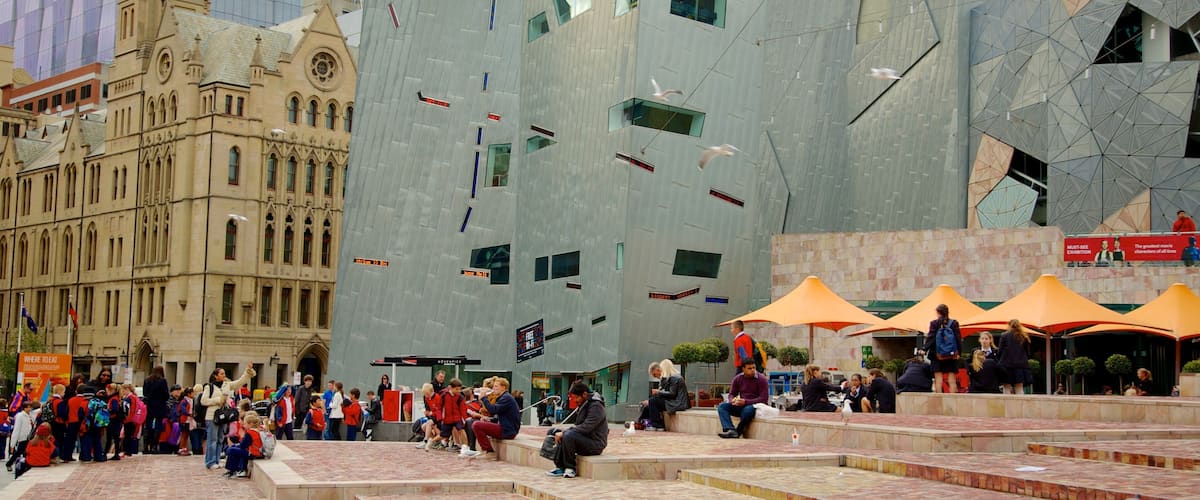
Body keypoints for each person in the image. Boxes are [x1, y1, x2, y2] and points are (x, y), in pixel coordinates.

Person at [546, 382, 607, 479]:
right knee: (553, 432)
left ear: (584, 394)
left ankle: (570, 468)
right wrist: (563, 432)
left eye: (576, 397)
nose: (575, 400)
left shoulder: (596, 406)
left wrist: (565, 432)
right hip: (584, 438)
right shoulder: (584, 404)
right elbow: (578, 426)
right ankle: (560, 466)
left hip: (595, 443)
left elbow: (587, 426)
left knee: (568, 435)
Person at [200, 365, 256, 470]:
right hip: (212, 415)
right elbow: (203, 401)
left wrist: (247, 372)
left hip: (223, 416)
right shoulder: (209, 387)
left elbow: (239, 382)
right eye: (221, 373)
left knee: (220, 439)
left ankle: (216, 460)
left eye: (224, 373)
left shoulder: (226, 385)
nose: (224, 375)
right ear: (215, 376)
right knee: (212, 439)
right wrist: (218, 400)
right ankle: (210, 461)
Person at [462, 377, 519, 459]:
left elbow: (493, 410)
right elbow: (500, 415)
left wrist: (484, 398)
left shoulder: (506, 398)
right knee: (476, 423)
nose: (493, 388)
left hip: (508, 430)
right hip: (507, 428)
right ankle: (475, 448)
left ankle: (489, 452)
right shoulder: (504, 397)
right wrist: (489, 419)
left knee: (476, 425)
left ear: (503, 387)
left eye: (496, 386)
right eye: (493, 386)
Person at [716, 358, 768, 439]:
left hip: (756, 406)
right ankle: (730, 429)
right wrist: (732, 400)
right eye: (749, 368)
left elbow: (764, 399)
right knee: (722, 406)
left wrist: (746, 402)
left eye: (754, 368)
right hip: (741, 404)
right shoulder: (737, 379)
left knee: (747, 410)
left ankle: (738, 431)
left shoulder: (762, 379)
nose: (752, 370)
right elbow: (732, 394)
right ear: (743, 369)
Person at [639, 359, 689, 430]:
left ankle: (657, 425)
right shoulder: (669, 378)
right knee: (650, 403)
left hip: (677, 403)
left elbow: (672, 394)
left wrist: (658, 392)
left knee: (653, 401)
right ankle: (641, 422)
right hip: (673, 401)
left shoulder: (675, 378)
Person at [924, 304, 962, 394]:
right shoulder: (954, 323)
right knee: (952, 380)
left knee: (938, 380)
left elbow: (931, 337)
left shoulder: (934, 323)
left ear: (938, 312)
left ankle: (939, 402)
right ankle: (952, 402)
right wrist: (959, 352)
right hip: (951, 354)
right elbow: (958, 338)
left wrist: (925, 349)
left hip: (936, 354)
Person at [223, 413, 264, 478]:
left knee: (232, 450)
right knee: (234, 448)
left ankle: (232, 470)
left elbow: (243, 445)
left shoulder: (250, 433)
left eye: (245, 424)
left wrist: (242, 438)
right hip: (256, 452)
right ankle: (236, 469)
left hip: (253, 453)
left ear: (250, 424)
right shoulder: (257, 431)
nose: (244, 425)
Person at [997, 319, 1032, 395]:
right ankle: (1020, 406)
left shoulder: (1004, 335)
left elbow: (1000, 351)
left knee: (1006, 387)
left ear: (1009, 325)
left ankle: (1007, 406)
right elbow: (1028, 353)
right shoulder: (1024, 336)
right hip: (1021, 366)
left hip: (1006, 365)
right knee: (1019, 387)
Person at [143, 365, 170, 454]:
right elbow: (166, 395)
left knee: (148, 425)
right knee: (158, 425)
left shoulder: (147, 380)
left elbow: (144, 393)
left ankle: (146, 446)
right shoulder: (162, 381)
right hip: (160, 405)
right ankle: (154, 446)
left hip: (149, 405)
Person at [436, 380, 467, 449]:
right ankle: (430, 442)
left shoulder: (460, 397)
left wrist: (465, 419)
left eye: (460, 389)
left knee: (461, 430)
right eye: (456, 389)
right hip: (447, 419)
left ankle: (465, 447)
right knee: (443, 435)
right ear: (451, 388)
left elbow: (463, 409)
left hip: (457, 418)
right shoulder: (444, 396)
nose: (458, 391)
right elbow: (439, 407)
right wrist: (439, 418)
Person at [5, 401, 34, 471]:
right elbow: (17, 429)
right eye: (27, 407)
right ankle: (9, 463)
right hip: (23, 437)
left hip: (29, 437)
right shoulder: (20, 416)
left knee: (25, 452)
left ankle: (25, 464)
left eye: (30, 407)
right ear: (24, 408)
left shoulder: (30, 416)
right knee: (19, 452)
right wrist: (13, 443)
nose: (29, 409)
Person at [106, 383, 127, 460]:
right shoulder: (117, 398)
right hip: (117, 420)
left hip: (113, 420)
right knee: (116, 438)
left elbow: (114, 409)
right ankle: (116, 454)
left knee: (110, 438)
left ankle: (106, 453)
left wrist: (108, 411)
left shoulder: (113, 399)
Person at [120, 384, 141, 458]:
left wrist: (126, 418)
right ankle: (128, 451)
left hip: (129, 419)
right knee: (130, 435)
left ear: (126, 389)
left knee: (127, 435)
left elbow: (126, 409)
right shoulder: (135, 397)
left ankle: (127, 451)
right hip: (134, 419)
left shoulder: (129, 398)